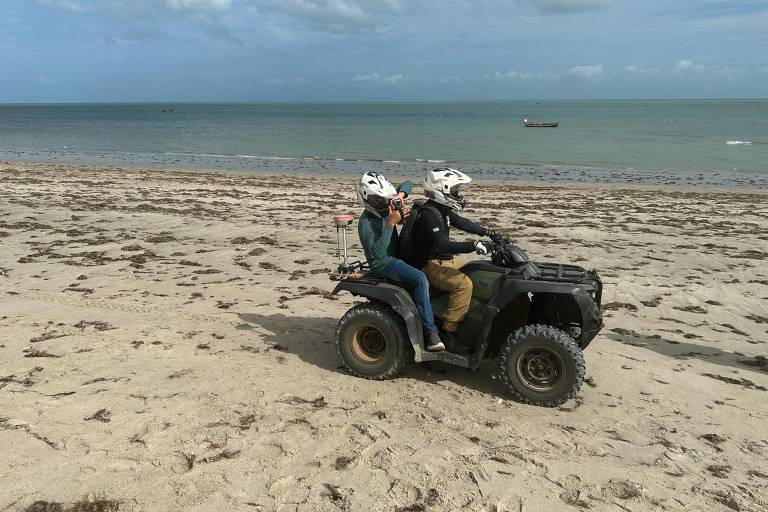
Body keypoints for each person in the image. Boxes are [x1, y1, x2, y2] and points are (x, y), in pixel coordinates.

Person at [356, 171, 446, 352]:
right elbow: (377, 254)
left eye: (384, 200)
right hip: (383, 263)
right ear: (367, 199)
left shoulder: (384, 204)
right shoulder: (366, 223)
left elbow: (408, 183)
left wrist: (399, 196)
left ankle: (435, 315)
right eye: (378, 201)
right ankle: (431, 334)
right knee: (420, 279)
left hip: (395, 256)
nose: (383, 204)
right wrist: (390, 224)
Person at [410, 168, 495, 342]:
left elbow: (462, 222)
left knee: (476, 271)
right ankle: (449, 330)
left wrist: (487, 232)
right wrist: (473, 245)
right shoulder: (429, 214)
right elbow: (442, 244)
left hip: (445, 260)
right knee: (463, 285)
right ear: (441, 189)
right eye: (454, 191)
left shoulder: (442, 209)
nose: (457, 194)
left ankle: (463, 314)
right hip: (430, 264)